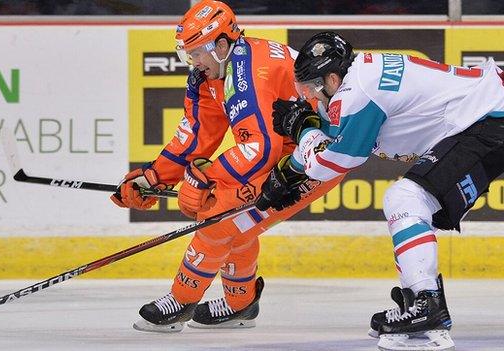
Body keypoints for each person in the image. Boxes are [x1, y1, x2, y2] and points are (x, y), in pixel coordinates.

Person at [257, 31, 504, 349]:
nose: (312, 98)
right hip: (487, 114)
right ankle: (419, 299)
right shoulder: (361, 74)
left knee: (406, 199)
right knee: (417, 203)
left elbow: (336, 160)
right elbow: (331, 140)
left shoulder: (359, 92)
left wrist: (302, 132)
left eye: (314, 88)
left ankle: (427, 305)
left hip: (489, 120)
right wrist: (289, 171)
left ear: (332, 77)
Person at [111, 1, 342, 332]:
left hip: (321, 154)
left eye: (197, 52)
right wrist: (154, 177)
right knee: (237, 219)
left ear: (221, 44)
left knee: (219, 217)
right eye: (188, 53)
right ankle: (240, 303)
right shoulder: (214, 73)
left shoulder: (250, 74)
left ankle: (182, 299)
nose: (194, 61)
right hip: (289, 150)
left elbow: (259, 150)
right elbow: (196, 137)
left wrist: (206, 179)